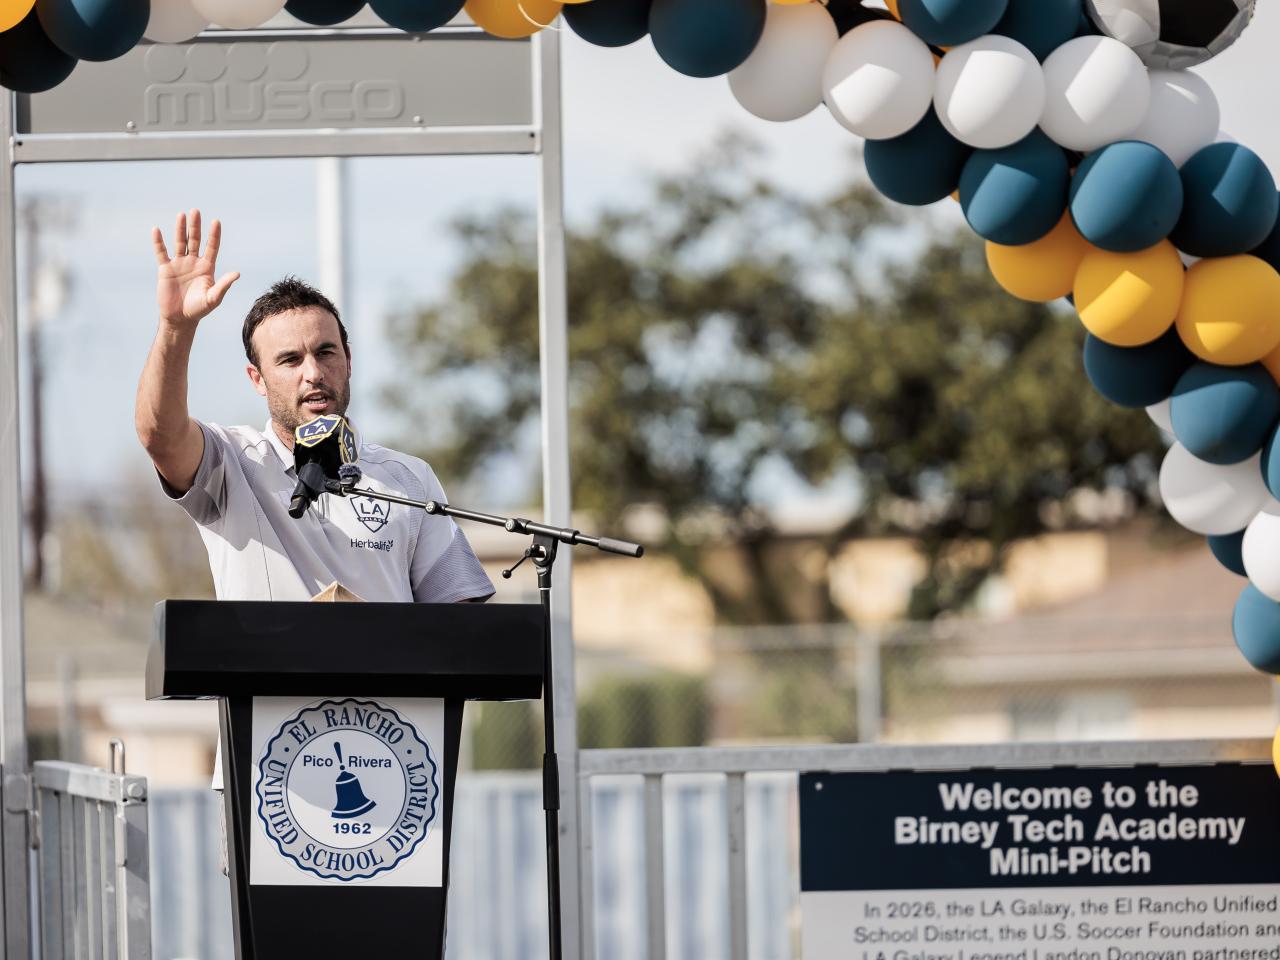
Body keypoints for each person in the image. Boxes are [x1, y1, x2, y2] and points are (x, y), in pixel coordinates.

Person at [135, 208, 495, 605]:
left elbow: (459, 619)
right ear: (257, 379)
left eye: (326, 352)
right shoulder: (231, 462)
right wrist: (175, 327)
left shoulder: (409, 479)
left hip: (389, 670)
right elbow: (160, 436)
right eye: (290, 360)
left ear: (349, 362)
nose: (313, 373)